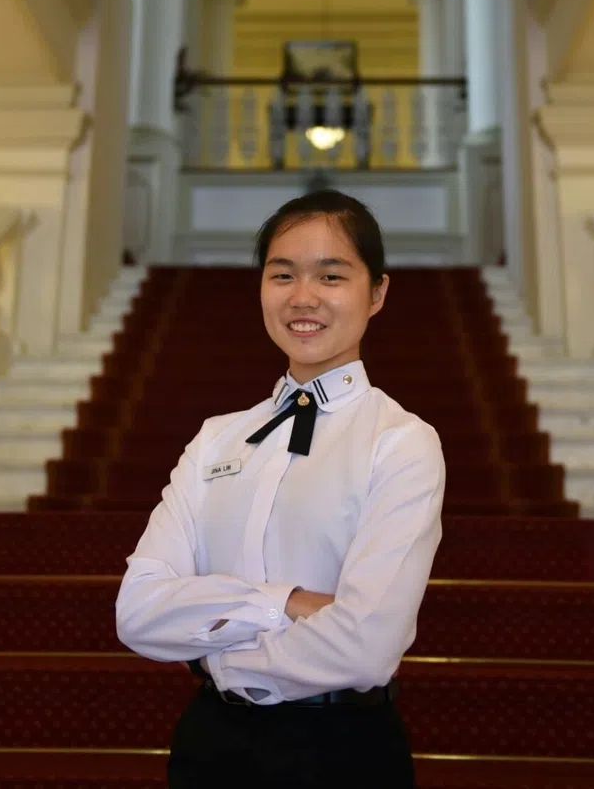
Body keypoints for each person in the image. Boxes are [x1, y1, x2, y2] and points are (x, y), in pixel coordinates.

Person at [116, 189, 445, 789]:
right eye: (283, 274)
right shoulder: (216, 440)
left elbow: (367, 647)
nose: (303, 297)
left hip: (342, 750)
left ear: (377, 293)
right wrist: (285, 601)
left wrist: (219, 656)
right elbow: (138, 612)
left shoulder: (401, 441)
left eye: (332, 275)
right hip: (210, 745)